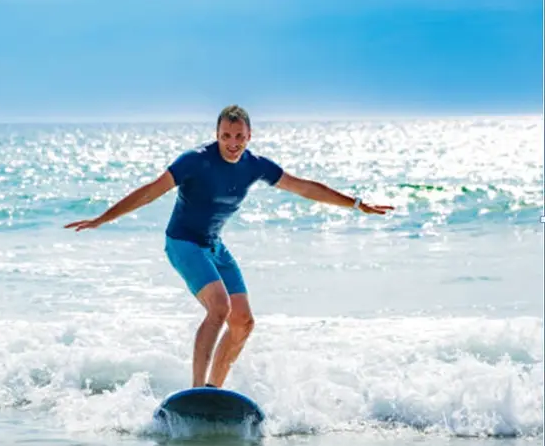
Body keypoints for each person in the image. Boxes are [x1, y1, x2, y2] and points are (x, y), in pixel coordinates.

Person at [64, 105, 394, 389]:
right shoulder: (195, 161)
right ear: (217, 134)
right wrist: (103, 219)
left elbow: (304, 188)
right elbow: (151, 191)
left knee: (244, 322)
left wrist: (356, 204)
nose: (232, 144)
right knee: (219, 308)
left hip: (213, 246)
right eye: (226, 136)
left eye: (239, 137)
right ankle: (195, 392)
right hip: (183, 243)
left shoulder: (256, 165)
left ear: (249, 136)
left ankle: (213, 392)